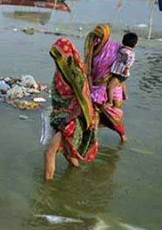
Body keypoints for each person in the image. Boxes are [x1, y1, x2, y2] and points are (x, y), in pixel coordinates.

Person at [44, 38, 98, 181]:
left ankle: (45, 192)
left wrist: (66, 120)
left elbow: (83, 104)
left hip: (73, 118)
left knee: (50, 153)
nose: (56, 60)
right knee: (67, 153)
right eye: (54, 57)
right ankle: (78, 179)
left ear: (67, 55)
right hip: (60, 115)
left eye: (59, 56)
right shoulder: (59, 72)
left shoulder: (77, 75)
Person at [84, 24, 127, 142]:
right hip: (97, 86)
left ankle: (122, 136)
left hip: (113, 86)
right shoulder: (92, 47)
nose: (98, 40)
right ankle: (94, 139)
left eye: (100, 37)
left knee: (115, 114)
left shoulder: (117, 48)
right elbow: (88, 71)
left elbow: (123, 67)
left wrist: (122, 85)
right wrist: (89, 88)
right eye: (97, 37)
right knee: (96, 114)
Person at [106, 32, 138, 107]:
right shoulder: (131, 52)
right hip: (123, 74)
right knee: (122, 83)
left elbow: (126, 60)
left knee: (110, 87)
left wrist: (126, 67)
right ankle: (125, 95)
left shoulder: (124, 51)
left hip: (120, 73)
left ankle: (110, 102)